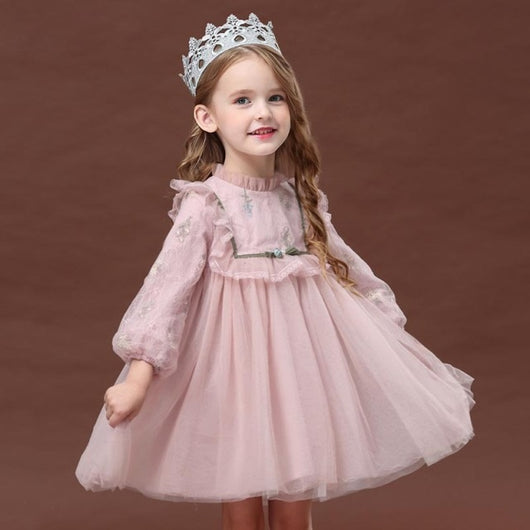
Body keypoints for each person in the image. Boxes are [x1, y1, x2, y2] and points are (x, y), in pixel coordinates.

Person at [75, 13, 476, 530]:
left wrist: (386, 332)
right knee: (241, 500)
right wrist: (137, 378)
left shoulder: (298, 199)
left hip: (301, 372)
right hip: (231, 375)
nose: (262, 112)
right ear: (207, 117)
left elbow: (349, 270)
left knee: (294, 499)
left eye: (275, 97)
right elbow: (165, 291)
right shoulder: (207, 205)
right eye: (242, 100)